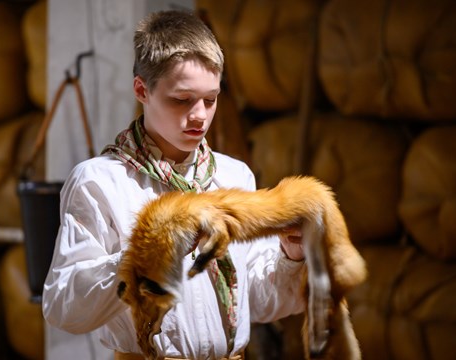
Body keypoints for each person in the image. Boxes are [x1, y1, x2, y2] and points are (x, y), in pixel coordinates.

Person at [42, 9, 305, 359]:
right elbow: (64, 307)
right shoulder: (100, 181)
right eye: (182, 99)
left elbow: (253, 301)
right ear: (142, 90)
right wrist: (149, 253)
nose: (199, 114)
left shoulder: (233, 177)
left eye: (210, 99)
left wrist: (292, 254)